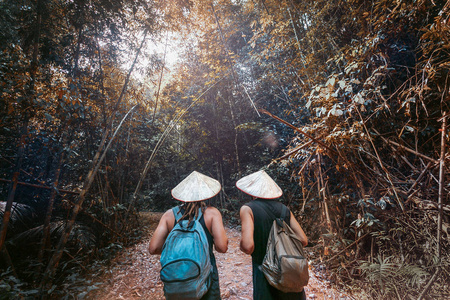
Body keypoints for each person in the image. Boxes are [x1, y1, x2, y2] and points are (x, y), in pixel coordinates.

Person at [149, 170, 228, 300]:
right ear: (205, 193)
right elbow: (222, 247)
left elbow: (153, 248)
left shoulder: (169, 215)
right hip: (206, 277)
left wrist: (178, 251)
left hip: (177, 278)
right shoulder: (212, 213)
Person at [237, 170, 308, 300]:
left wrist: (241, 244)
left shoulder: (248, 209)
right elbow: (303, 240)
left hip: (264, 273)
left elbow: (248, 246)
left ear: (252, 191)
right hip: (288, 272)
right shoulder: (284, 209)